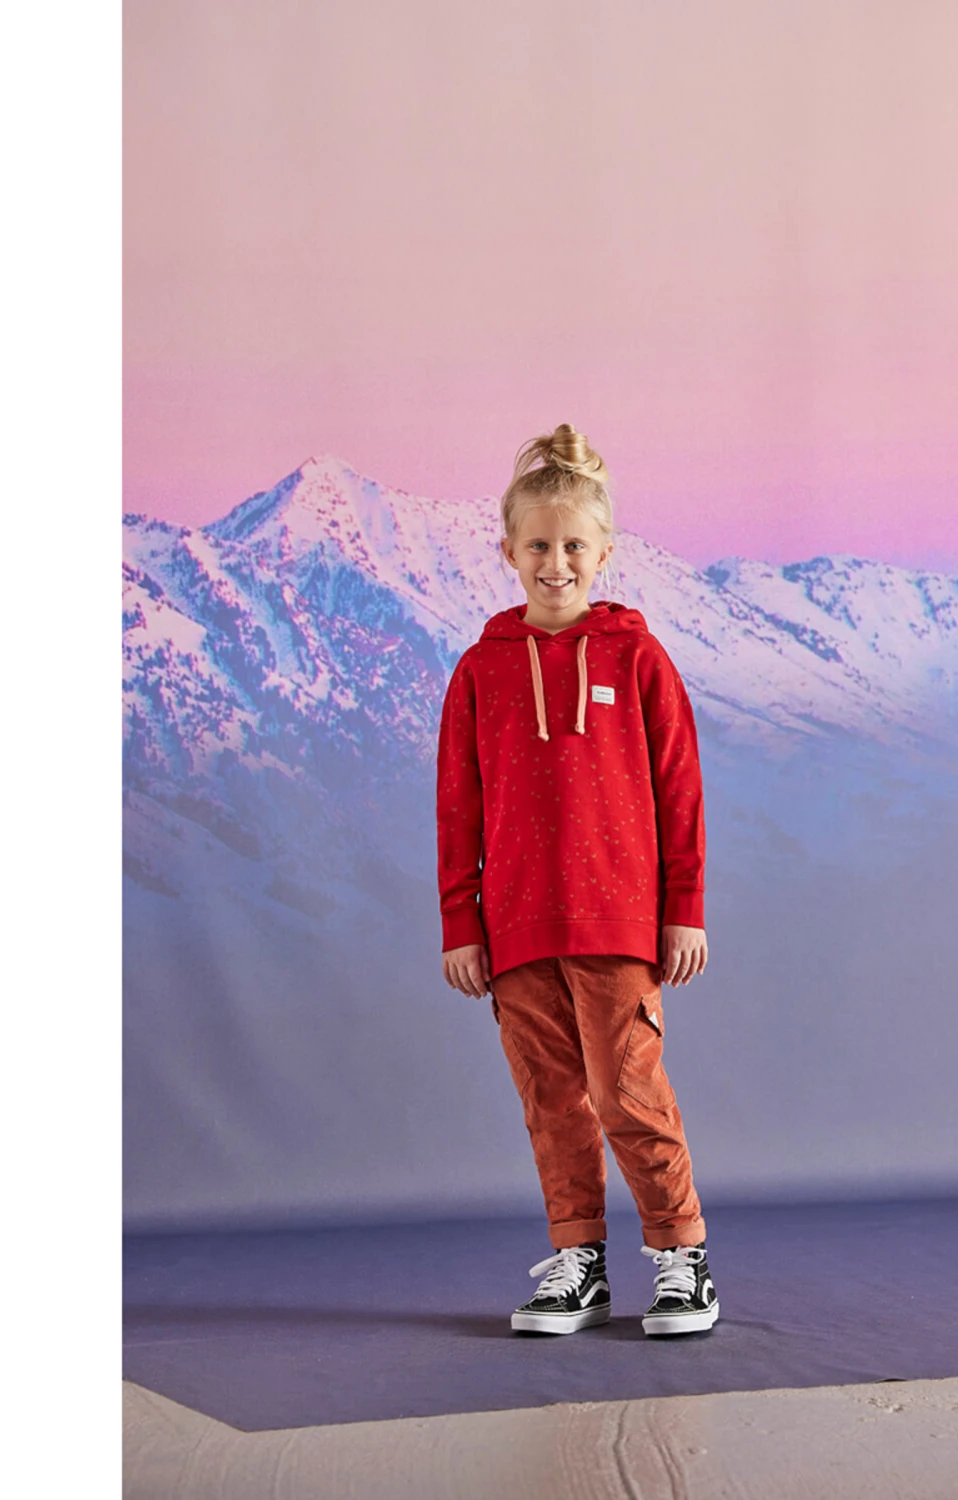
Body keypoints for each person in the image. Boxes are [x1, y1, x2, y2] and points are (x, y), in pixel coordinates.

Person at [435, 423, 719, 1337]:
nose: (554, 564)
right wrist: (462, 924)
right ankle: (579, 1264)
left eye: (572, 547)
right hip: (516, 930)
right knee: (552, 1102)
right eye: (537, 546)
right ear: (509, 552)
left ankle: (680, 1258)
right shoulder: (479, 671)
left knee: (628, 1094)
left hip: (618, 923)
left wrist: (683, 911)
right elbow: (457, 807)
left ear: (604, 553)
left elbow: (680, 790)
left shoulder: (638, 659)